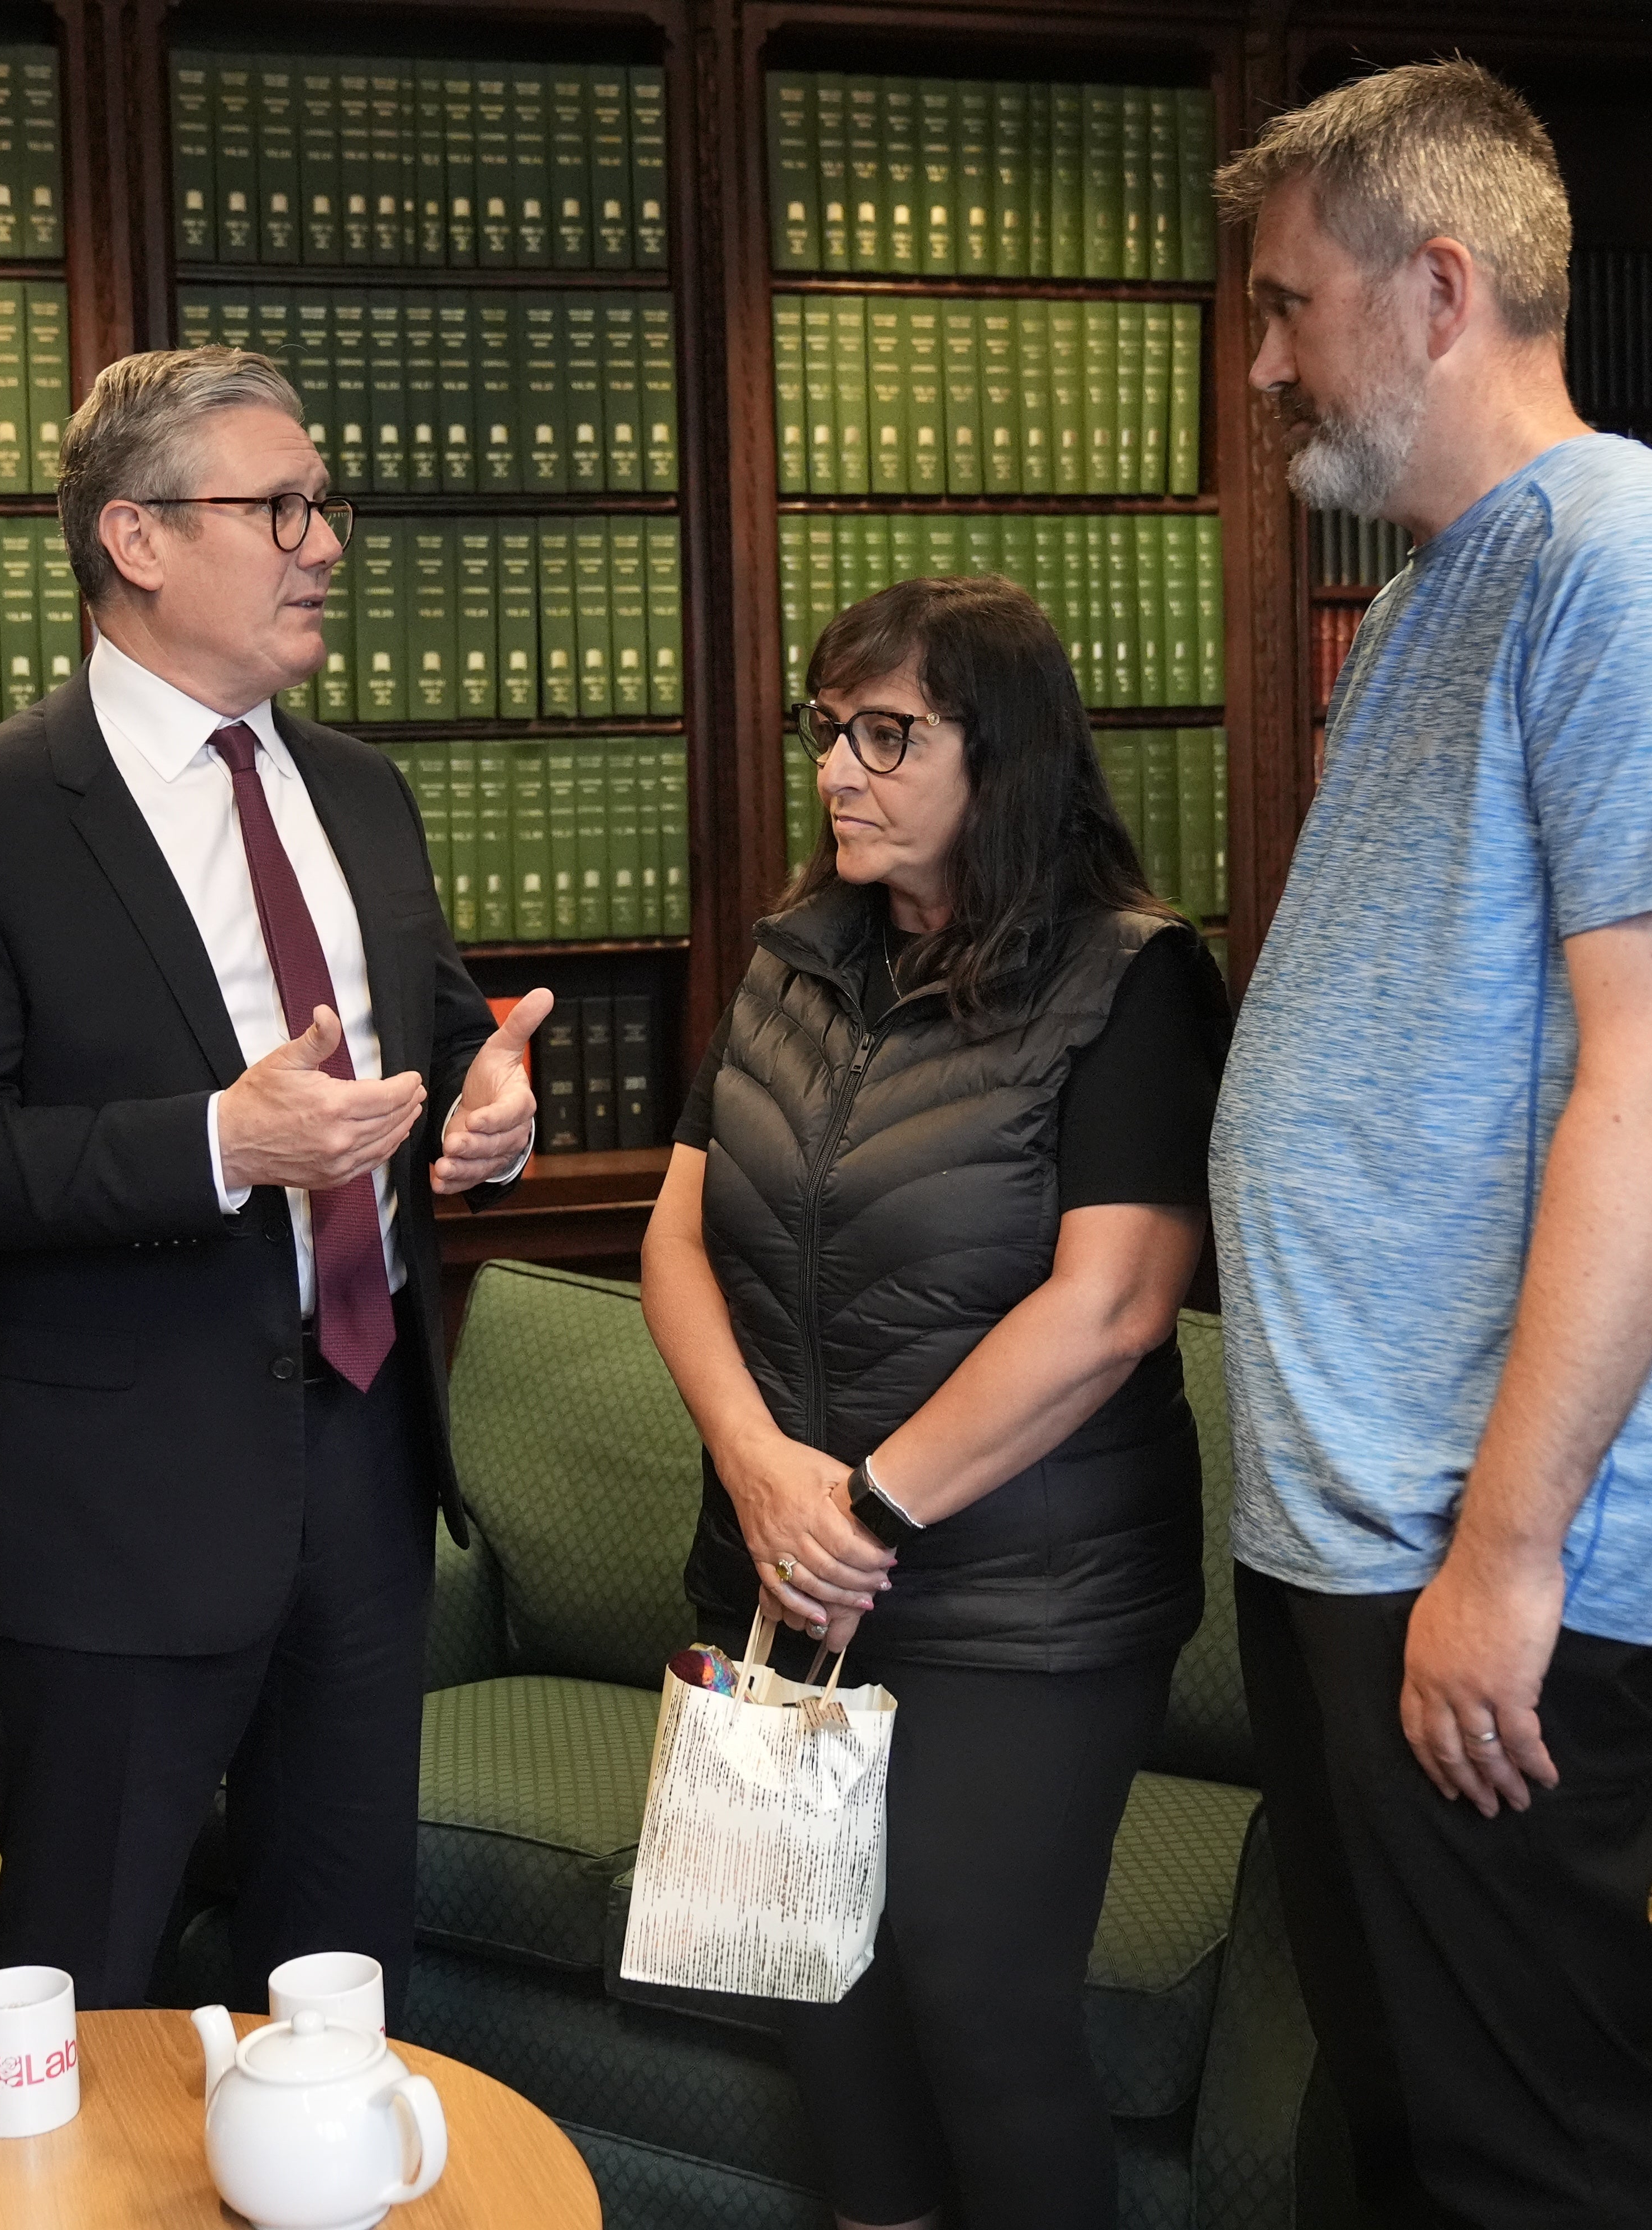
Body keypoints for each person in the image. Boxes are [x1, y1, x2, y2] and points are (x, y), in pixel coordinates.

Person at [1204, 60, 1652, 2230]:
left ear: (1439, 284)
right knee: (1406, 2126)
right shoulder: (1433, 593)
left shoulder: (1648, 562)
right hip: (1357, 1519)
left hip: (1478, 1546)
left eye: (1290, 301)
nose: (1267, 356)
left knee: (1540, 2153)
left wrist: (1508, 1546)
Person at [0, 347, 548, 2016]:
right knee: (91, 1977)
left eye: (326, 505)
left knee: (339, 1961)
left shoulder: (365, 792)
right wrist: (216, 1144)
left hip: (369, 1474)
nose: (325, 541)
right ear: (136, 539)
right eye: (279, 506)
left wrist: (490, 1105)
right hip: (121, 1505)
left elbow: (441, 1042)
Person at [641, 575, 1229, 2230]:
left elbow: (1112, 1306)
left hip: (1021, 1601)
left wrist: (867, 1504)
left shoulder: (1135, 980)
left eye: (888, 735)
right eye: (829, 732)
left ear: (1010, 753)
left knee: (978, 1998)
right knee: (811, 1987)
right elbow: (677, 1239)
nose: (840, 772)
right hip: (777, 1569)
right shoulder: (783, 957)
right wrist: (761, 1473)